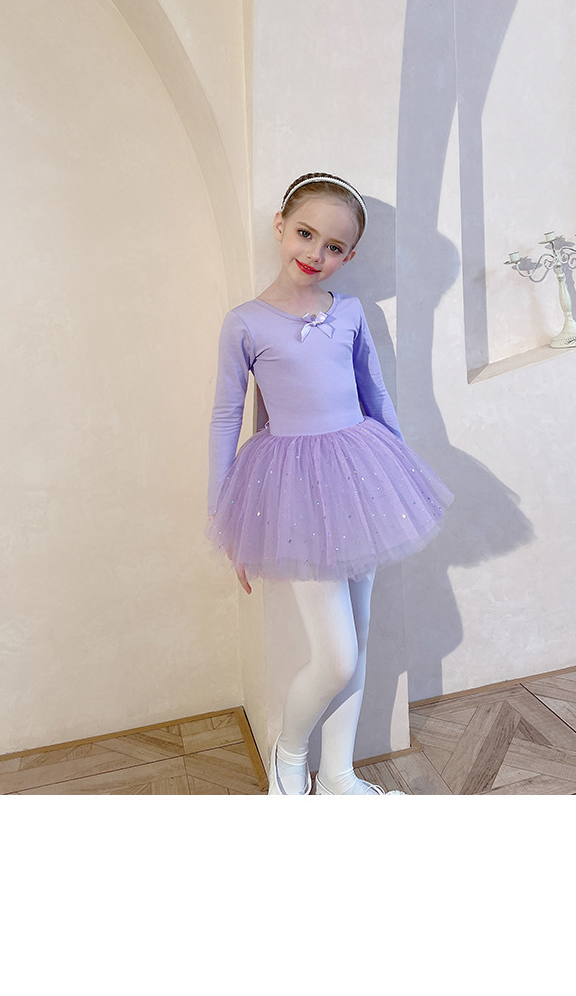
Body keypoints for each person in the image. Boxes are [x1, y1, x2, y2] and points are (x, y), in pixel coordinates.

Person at [206, 173, 453, 794]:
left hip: (360, 473)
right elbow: (227, 418)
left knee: (358, 641)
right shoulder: (245, 323)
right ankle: (289, 755)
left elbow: (375, 393)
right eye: (305, 234)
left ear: (350, 255)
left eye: (334, 246)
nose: (315, 253)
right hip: (294, 486)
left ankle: (340, 775)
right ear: (280, 227)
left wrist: (399, 476)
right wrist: (224, 518)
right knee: (335, 655)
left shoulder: (350, 311)